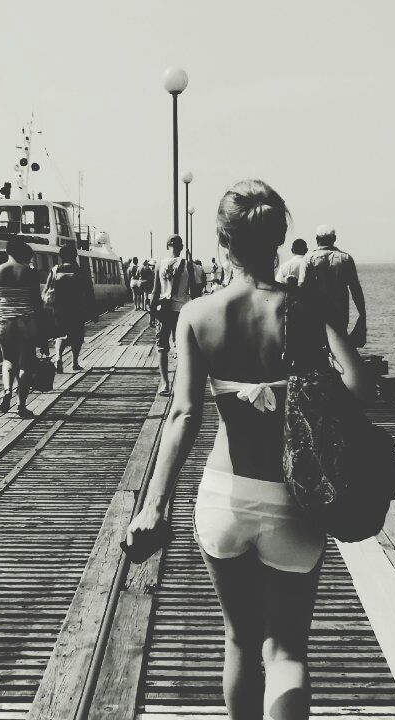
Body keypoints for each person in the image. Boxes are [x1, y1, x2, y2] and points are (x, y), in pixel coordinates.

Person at [126, 179, 364, 720]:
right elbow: (357, 385)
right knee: (285, 652)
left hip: (224, 497)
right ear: (280, 238)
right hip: (294, 501)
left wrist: (153, 506)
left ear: (221, 240)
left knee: (238, 641)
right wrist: (304, 397)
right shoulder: (306, 308)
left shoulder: (198, 316)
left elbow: (184, 415)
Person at [0, 238, 43, 417]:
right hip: (26, 321)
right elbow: (37, 301)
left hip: (3, 321)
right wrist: (43, 327)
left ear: (7, 252)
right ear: (22, 252)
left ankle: (7, 391)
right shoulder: (30, 273)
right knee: (25, 364)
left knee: (7, 360)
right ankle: (21, 405)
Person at [302, 224, 368, 347]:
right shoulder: (345, 258)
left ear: (317, 239)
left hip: (315, 311)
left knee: (318, 345)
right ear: (334, 239)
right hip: (340, 311)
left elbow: (302, 289)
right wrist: (362, 313)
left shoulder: (308, 258)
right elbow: (355, 289)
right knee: (339, 344)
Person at [148, 234, 196, 396]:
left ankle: (165, 383)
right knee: (181, 347)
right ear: (181, 247)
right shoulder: (188, 264)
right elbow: (195, 291)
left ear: (167, 246)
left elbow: (155, 292)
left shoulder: (159, 264)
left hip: (163, 310)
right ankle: (181, 383)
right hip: (182, 310)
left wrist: (151, 314)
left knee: (161, 347)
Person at [45, 243, 95, 372]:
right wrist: (92, 310)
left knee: (60, 335)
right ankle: (74, 362)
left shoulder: (55, 270)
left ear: (61, 256)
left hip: (58, 309)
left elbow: (46, 290)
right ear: (75, 256)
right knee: (76, 336)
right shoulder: (81, 271)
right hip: (76, 308)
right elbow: (89, 292)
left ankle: (58, 358)